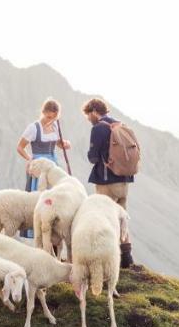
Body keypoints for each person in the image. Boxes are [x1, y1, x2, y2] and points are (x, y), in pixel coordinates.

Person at [82, 97, 133, 268]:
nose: (89, 119)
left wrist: (90, 153)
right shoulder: (119, 124)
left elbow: (93, 156)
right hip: (124, 180)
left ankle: (108, 260)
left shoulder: (98, 129)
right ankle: (127, 257)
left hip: (107, 181)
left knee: (105, 219)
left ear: (95, 112)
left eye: (89, 115)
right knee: (122, 218)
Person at [16, 98, 71, 238]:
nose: (50, 120)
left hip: (53, 167)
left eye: (53, 118)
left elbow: (58, 143)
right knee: (38, 199)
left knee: (54, 200)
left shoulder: (55, 126)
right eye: (48, 117)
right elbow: (20, 147)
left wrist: (64, 144)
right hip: (39, 167)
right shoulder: (33, 128)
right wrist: (30, 160)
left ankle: (52, 234)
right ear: (43, 112)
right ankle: (35, 233)